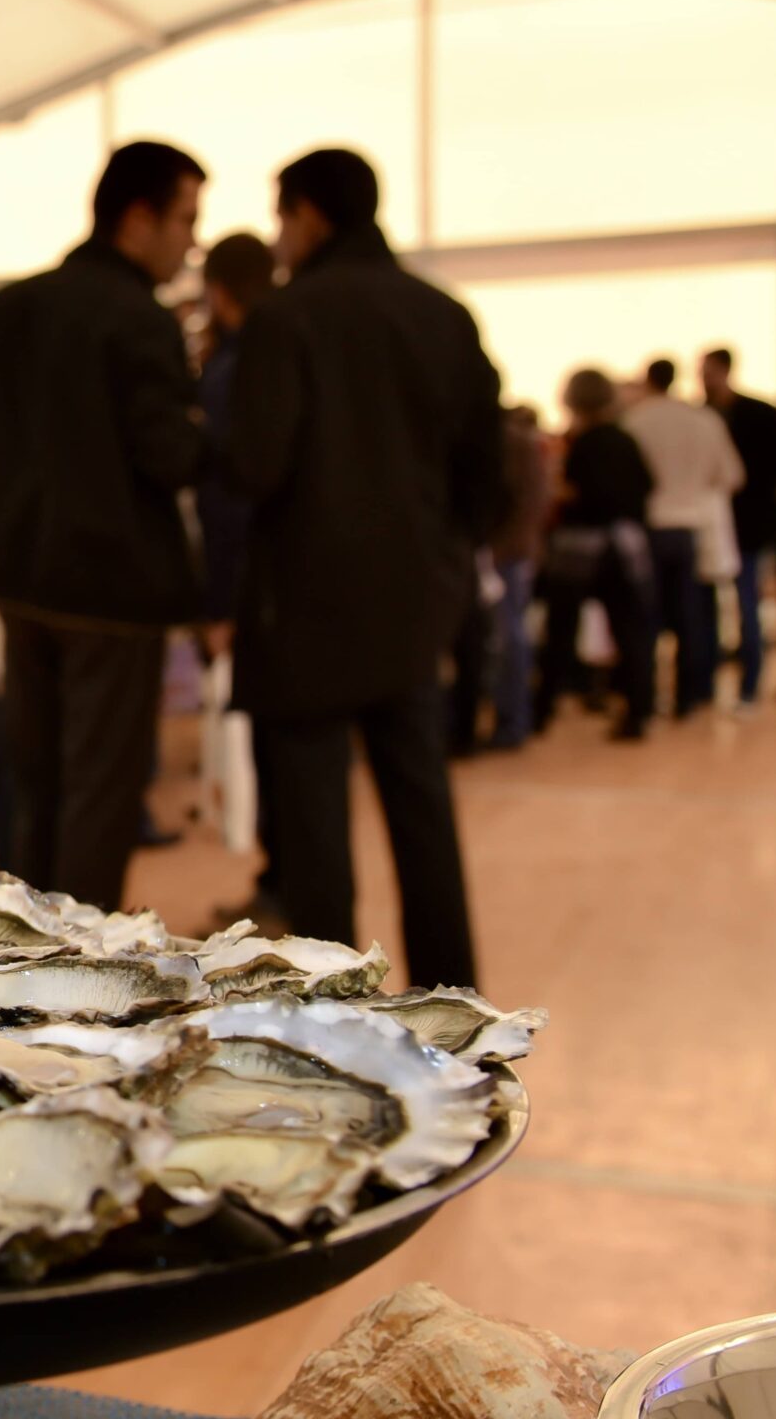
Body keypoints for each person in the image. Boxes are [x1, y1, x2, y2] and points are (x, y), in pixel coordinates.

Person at [227, 148, 498, 991]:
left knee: (316, 839)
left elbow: (255, 467)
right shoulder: (441, 315)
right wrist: (446, 566)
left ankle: (339, 1017)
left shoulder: (285, 320)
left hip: (303, 611)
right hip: (414, 605)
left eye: (281, 217)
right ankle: (455, 1005)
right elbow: (485, 472)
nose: (278, 239)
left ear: (309, 213)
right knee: (424, 819)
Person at [0, 142, 205, 910]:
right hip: (112, 591)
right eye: (185, 221)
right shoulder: (138, 320)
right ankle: (80, 972)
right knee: (101, 789)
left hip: (22, 583)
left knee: (38, 777)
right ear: (138, 217)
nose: (191, 242)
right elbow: (169, 456)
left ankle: (24, 947)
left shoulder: (6, 309)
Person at [191, 231, 280, 925]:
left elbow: (227, 496)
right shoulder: (289, 351)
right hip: (294, 578)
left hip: (254, 581)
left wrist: (219, 600)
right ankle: (285, 886)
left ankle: (282, 892)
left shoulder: (233, 371)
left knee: (265, 743)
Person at [538, 368, 656, 741]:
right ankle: (638, 709)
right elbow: (646, 487)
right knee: (630, 631)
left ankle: (542, 708)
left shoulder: (584, 444)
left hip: (581, 548)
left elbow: (579, 494)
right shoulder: (625, 440)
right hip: (625, 546)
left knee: (561, 629)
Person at [625, 357, 739, 717]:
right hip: (691, 528)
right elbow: (731, 476)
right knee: (691, 616)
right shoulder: (704, 421)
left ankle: (645, 699)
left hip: (652, 527)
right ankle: (689, 696)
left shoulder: (636, 422)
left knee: (646, 618)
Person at [698, 348, 776, 704]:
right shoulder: (704, 415)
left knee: (747, 601)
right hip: (714, 525)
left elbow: (774, 467)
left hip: (749, 525)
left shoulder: (759, 414)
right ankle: (704, 685)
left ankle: (749, 685)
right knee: (706, 606)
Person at [486, 406, 551, 750]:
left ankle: (512, 721)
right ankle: (513, 719)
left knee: (508, 636)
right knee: (510, 635)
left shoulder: (508, 443)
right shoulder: (523, 444)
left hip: (503, 552)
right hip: (511, 551)